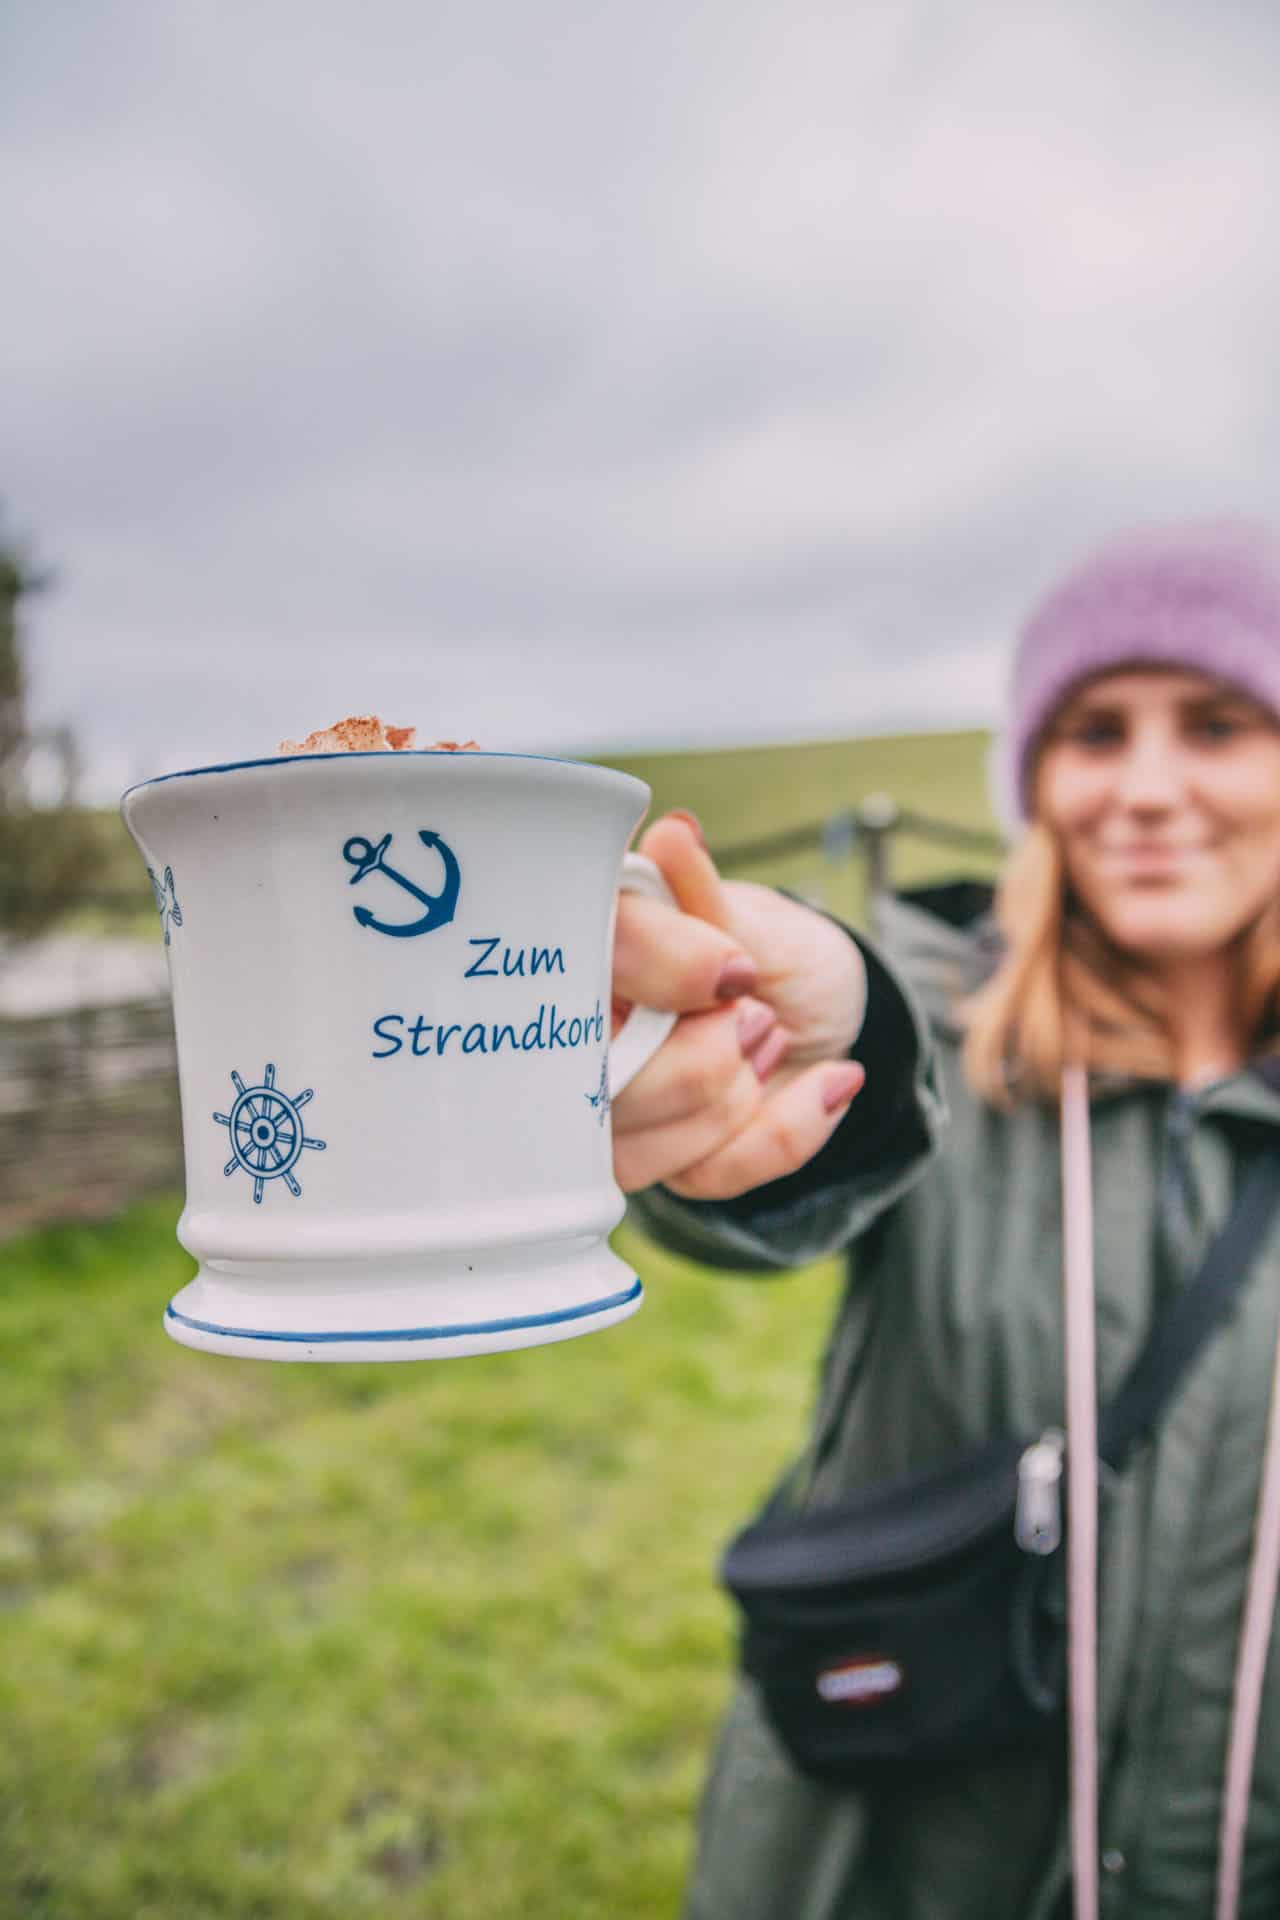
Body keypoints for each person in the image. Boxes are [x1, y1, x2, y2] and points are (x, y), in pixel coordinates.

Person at [612, 518, 1280, 1919]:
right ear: (1035, 780)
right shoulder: (953, 1028)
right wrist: (787, 1053)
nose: (1148, 788)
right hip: (897, 1860)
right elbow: (837, 1103)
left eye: (1217, 724)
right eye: (1096, 734)